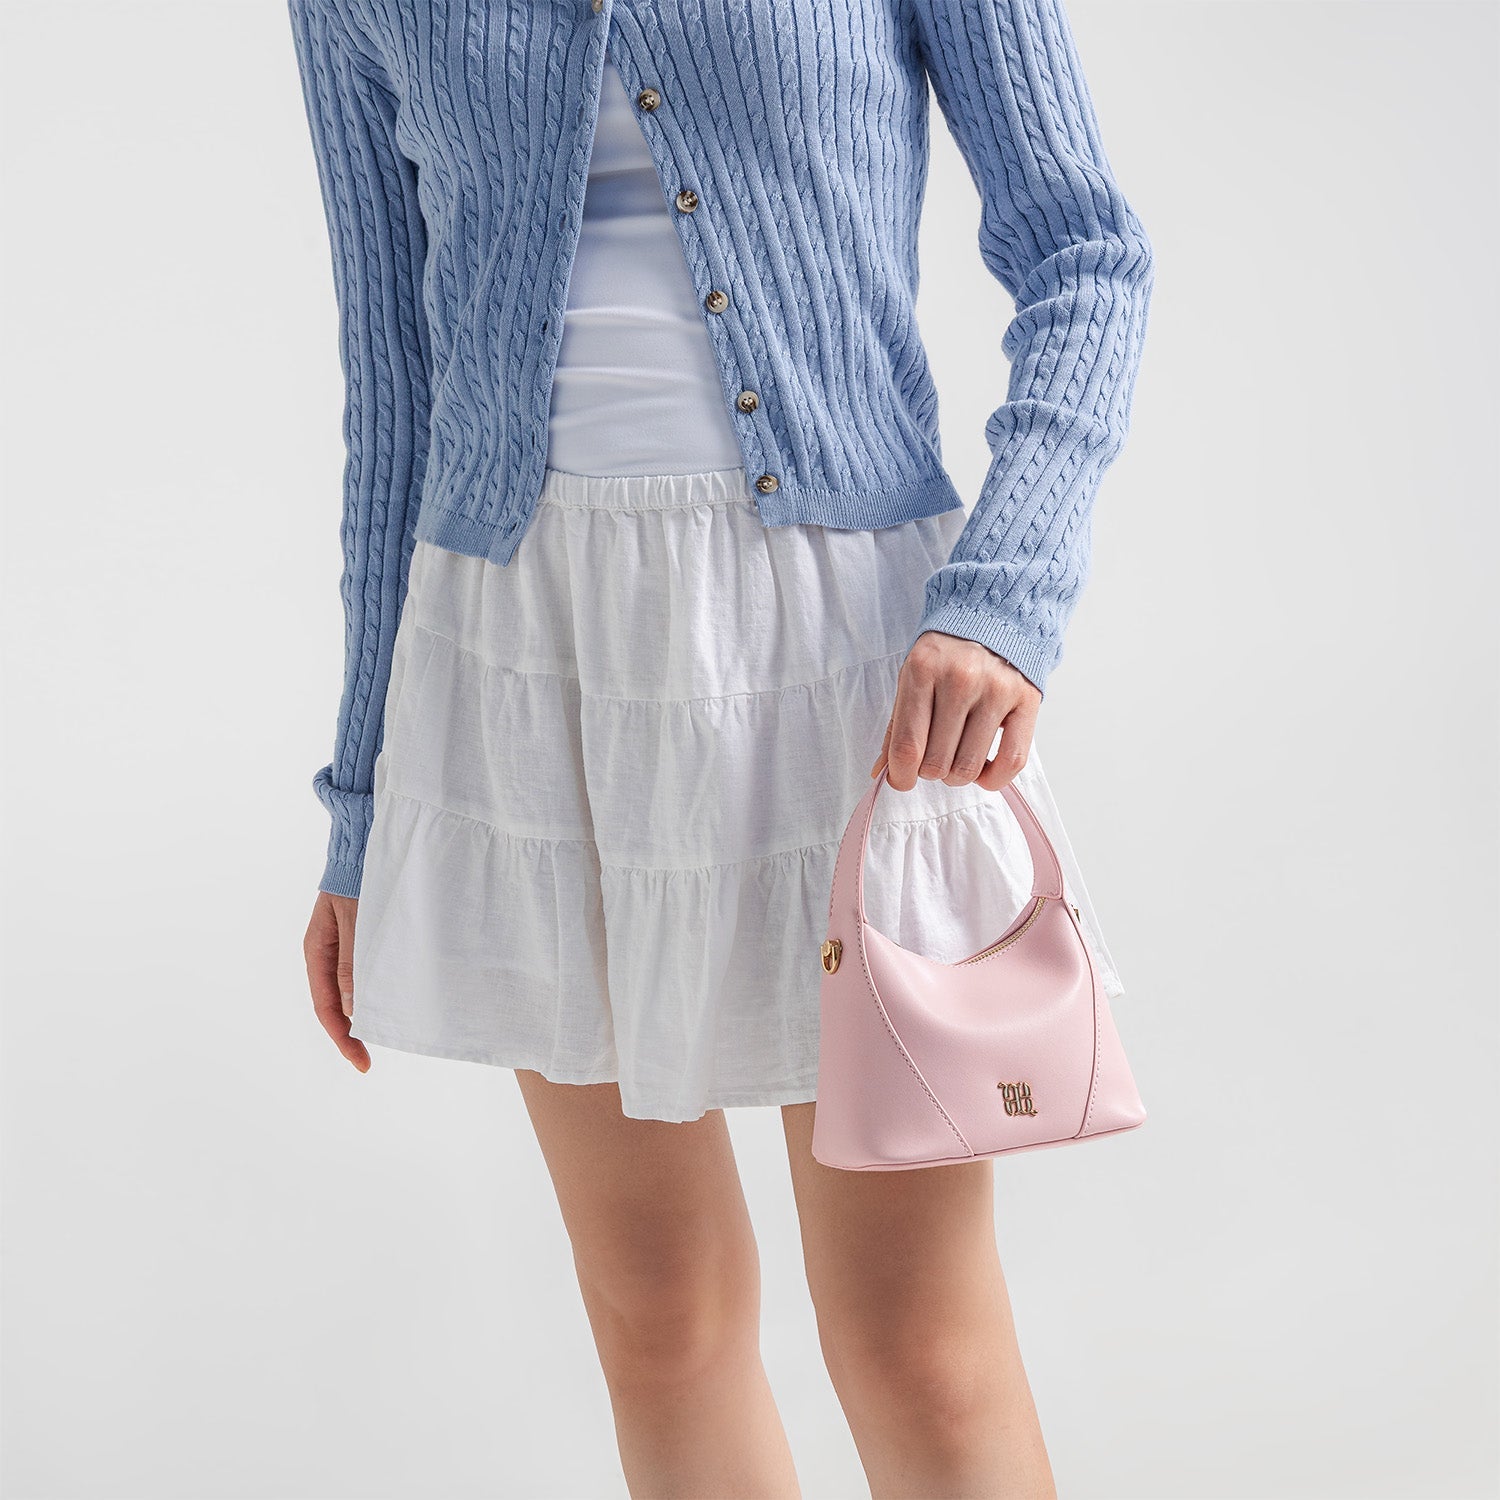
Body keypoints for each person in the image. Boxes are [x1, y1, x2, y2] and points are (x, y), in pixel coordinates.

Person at [289, 1, 1153, 1493]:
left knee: (916, 1340)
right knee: (659, 1316)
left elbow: (1086, 253)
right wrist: (364, 805)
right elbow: (396, 388)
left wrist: (1006, 598)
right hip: (524, 662)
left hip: (843, 661)